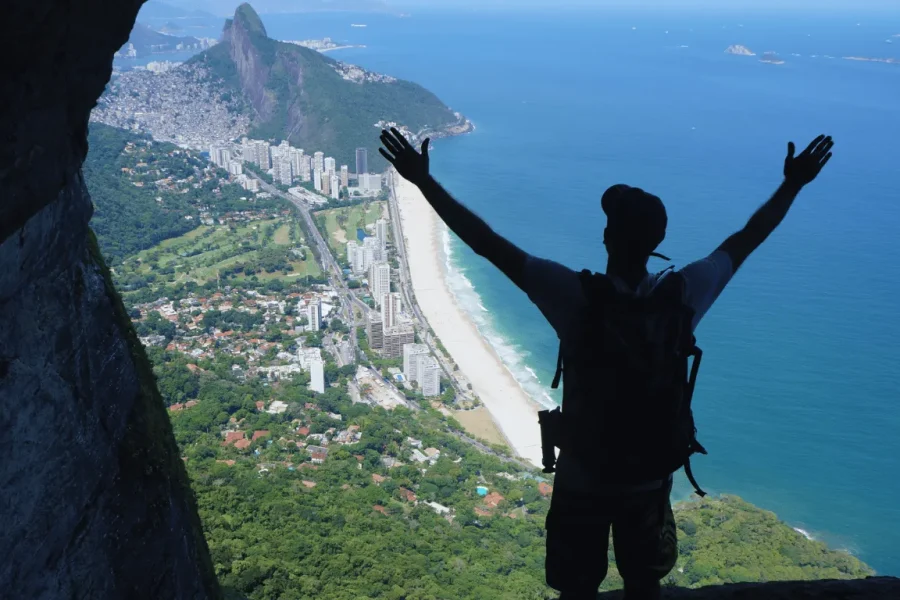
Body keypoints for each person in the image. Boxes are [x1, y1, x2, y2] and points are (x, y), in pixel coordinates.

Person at [378, 128, 834, 599]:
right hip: (650, 476)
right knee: (644, 582)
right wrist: (792, 185)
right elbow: (745, 241)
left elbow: (486, 243)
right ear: (658, 238)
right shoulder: (684, 296)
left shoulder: (573, 296)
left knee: (576, 588)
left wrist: (423, 182)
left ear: (606, 237)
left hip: (584, 474)